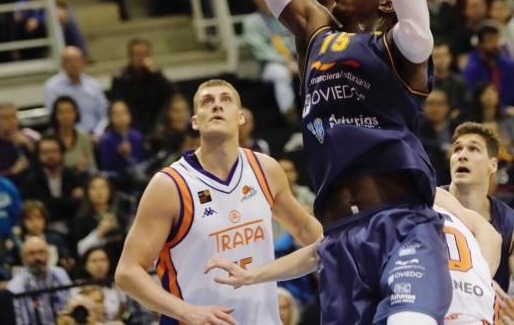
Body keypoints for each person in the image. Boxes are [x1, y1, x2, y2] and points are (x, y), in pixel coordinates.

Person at [209, 0, 451, 324]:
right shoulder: (315, 32)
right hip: (338, 242)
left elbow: (416, 18)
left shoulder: (401, 48)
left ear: (386, 0)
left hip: (404, 228)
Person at [115, 78, 322, 324]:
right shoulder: (169, 185)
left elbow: (308, 231)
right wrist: (187, 312)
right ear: (195, 121)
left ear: (241, 117)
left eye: (226, 99)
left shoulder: (265, 169)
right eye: (207, 101)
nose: (216, 105)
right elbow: (127, 272)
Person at [205, 187, 501, 325]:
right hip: (468, 307)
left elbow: (316, 253)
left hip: (446, 306)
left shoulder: (390, 208)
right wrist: (481, 279)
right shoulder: (431, 197)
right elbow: (489, 234)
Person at [447, 122, 514, 291]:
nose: (462, 155)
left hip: (488, 315)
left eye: (473, 149)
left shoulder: (509, 223)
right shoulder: (428, 203)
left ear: (493, 165)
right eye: (457, 149)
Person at [243, 0, 299, 121]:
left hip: (294, 59)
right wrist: (285, 62)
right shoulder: (250, 22)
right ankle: (288, 112)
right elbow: (260, 51)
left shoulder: (283, 16)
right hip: (271, 64)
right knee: (281, 74)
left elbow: (294, 39)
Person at [108, 38, 176, 136]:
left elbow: (173, 95)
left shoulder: (155, 75)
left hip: (156, 122)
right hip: (131, 124)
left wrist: (156, 74)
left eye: (144, 54)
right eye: (137, 54)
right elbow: (116, 104)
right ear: (130, 57)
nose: (141, 58)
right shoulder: (121, 78)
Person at [21, 137, 84, 234]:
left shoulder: (73, 175)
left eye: (54, 151)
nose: (50, 156)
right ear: (38, 155)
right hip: (44, 229)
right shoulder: (31, 179)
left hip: (73, 227)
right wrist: (69, 200)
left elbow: (79, 206)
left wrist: (55, 204)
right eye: (45, 152)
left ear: (62, 153)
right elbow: (42, 209)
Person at [7, 236, 71, 325]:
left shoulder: (60, 274)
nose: (37, 257)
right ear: (23, 258)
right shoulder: (16, 286)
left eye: (41, 252)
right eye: (31, 253)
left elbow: (69, 304)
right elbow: (20, 320)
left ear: (48, 254)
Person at [44, 47, 108, 135]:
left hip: (94, 134)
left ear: (83, 62)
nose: (74, 64)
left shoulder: (93, 84)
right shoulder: (52, 86)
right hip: (67, 136)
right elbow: (53, 116)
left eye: (77, 60)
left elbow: (104, 114)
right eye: (69, 61)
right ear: (62, 64)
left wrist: (98, 133)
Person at [463, 23, 514, 104]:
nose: (495, 45)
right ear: (480, 44)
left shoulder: (508, 65)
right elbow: (473, 99)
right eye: (490, 41)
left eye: (496, 40)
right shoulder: (473, 69)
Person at [0, 102, 38, 186]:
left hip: (31, 187)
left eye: (13, 117)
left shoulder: (29, 139)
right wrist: (11, 172)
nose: (10, 121)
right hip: (4, 188)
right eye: (5, 118)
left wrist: (29, 145)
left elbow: (43, 166)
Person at [46, 96, 96, 174]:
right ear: (55, 115)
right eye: (61, 112)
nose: (66, 115)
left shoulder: (84, 136)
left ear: (76, 113)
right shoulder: (48, 138)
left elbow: (92, 166)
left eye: (69, 111)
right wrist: (74, 169)